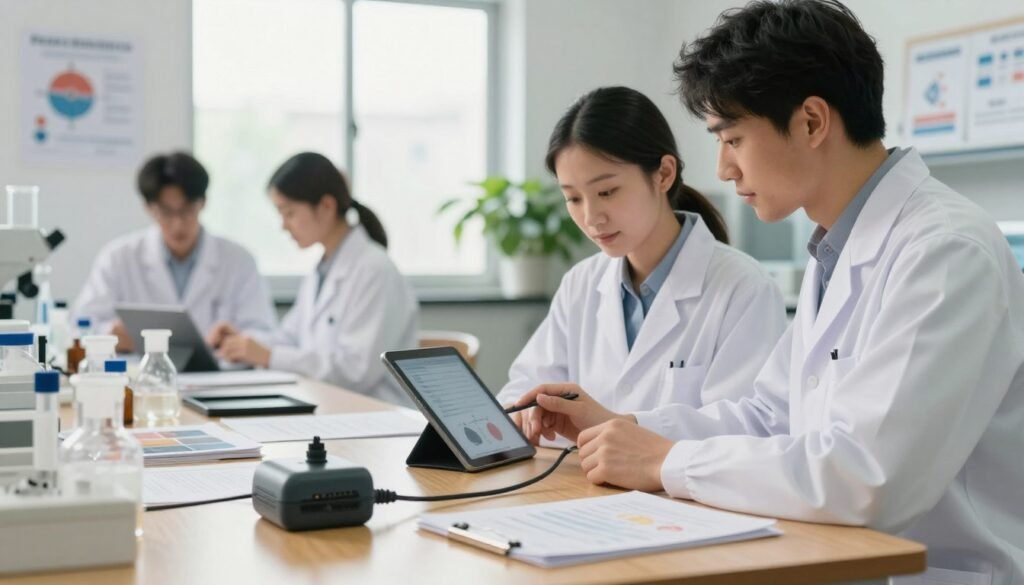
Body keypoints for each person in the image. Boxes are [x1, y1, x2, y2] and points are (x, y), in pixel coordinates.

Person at [515, 1, 1024, 581]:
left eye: (732, 138)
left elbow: (868, 477)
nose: (723, 169)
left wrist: (668, 461)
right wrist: (625, 428)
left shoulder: (945, 252)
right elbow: (768, 415)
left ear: (811, 122)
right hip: (832, 557)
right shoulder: (839, 248)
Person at [497, 86, 786, 433]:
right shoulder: (581, 283)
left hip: (677, 473)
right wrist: (524, 413)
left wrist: (624, 428)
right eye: (573, 198)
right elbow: (522, 389)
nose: (591, 217)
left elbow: (747, 427)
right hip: (579, 470)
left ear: (663, 174)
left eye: (607, 192)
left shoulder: (744, 287)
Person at [207, 152, 418, 406]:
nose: (283, 226)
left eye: (289, 213)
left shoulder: (374, 270)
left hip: (378, 413)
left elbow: (354, 371)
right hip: (332, 406)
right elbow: (290, 338)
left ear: (326, 206)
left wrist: (269, 356)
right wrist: (242, 343)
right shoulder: (323, 270)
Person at [73, 152, 276, 353]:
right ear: (148, 208)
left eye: (187, 210)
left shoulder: (238, 260)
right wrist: (109, 334)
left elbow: (265, 333)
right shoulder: (118, 258)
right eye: (166, 212)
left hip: (218, 371)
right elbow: (81, 324)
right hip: (140, 369)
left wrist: (239, 341)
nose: (178, 224)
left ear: (203, 202)